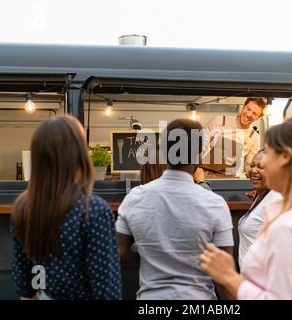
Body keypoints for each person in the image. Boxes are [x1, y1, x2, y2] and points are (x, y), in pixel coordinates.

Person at [200, 117, 292, 300]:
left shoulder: (288, 228)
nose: (260, 166)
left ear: (285, 156)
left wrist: (228, 277)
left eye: (268, 153)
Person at [116, 119, 234, 300]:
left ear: (163, 151)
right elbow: (224, 273)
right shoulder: (214, 203)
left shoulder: (135, 197)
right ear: (198, 156)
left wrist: (150, 256)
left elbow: (121, 252)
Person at [11, 115, 122, 300]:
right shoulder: (93, 209)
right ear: (77, 154)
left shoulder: (23, 208)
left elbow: (25, 288)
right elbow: (107, 291)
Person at [201, 97, 267, 178]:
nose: (249, 114)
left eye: (254, 113)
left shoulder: (254, 137)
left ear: (258, 118)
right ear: (243, 106)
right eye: (248, 109)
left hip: (229, 179)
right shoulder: (220, 120)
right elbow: (200, 147)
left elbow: (249, 166)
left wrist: (259, 172)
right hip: (204, 175)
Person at [238, 149, 282, 268]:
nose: (253, 170)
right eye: (252, 165)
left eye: (261, 167)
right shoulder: (262, 195)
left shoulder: (276, 200)